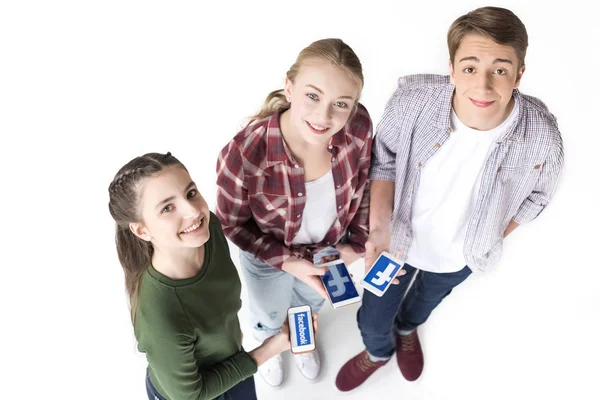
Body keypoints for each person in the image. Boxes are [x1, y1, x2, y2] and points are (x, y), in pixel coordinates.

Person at [335, 6, 564, 392]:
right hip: (396, 245)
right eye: (471, 68)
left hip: (459, 257)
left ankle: (408, 328)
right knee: (373, 318)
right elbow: (384, 159)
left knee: (425, 301)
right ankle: (377, 351)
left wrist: (489, 235)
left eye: (501, 69)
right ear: (452, 67)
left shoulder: (544, 137)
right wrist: (379, 231)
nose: (484, 86)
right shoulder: (411, 103)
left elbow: (539, 197)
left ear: (520, 73)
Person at [216, 38, 373, 386]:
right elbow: (232, 224)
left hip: (327, 250)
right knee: (267, 312)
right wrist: (286, 262)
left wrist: (356, 244)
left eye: (341, 104)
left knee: (310, 300)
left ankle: (302, 341)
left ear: (354, 106)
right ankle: (269, 343)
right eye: (313, 96)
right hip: (268, 258)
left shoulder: (359, 127)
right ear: (290, 87)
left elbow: (363, 186)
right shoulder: (244, 153)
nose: (324, 116)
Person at [108, 152, 301, 400]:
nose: (193, 212)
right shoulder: (159, 313)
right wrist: (271, 348)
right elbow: (190, 395)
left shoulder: (208, 229)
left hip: (230, 363)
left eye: (190, 193)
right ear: (141, 230)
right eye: (168, 208)